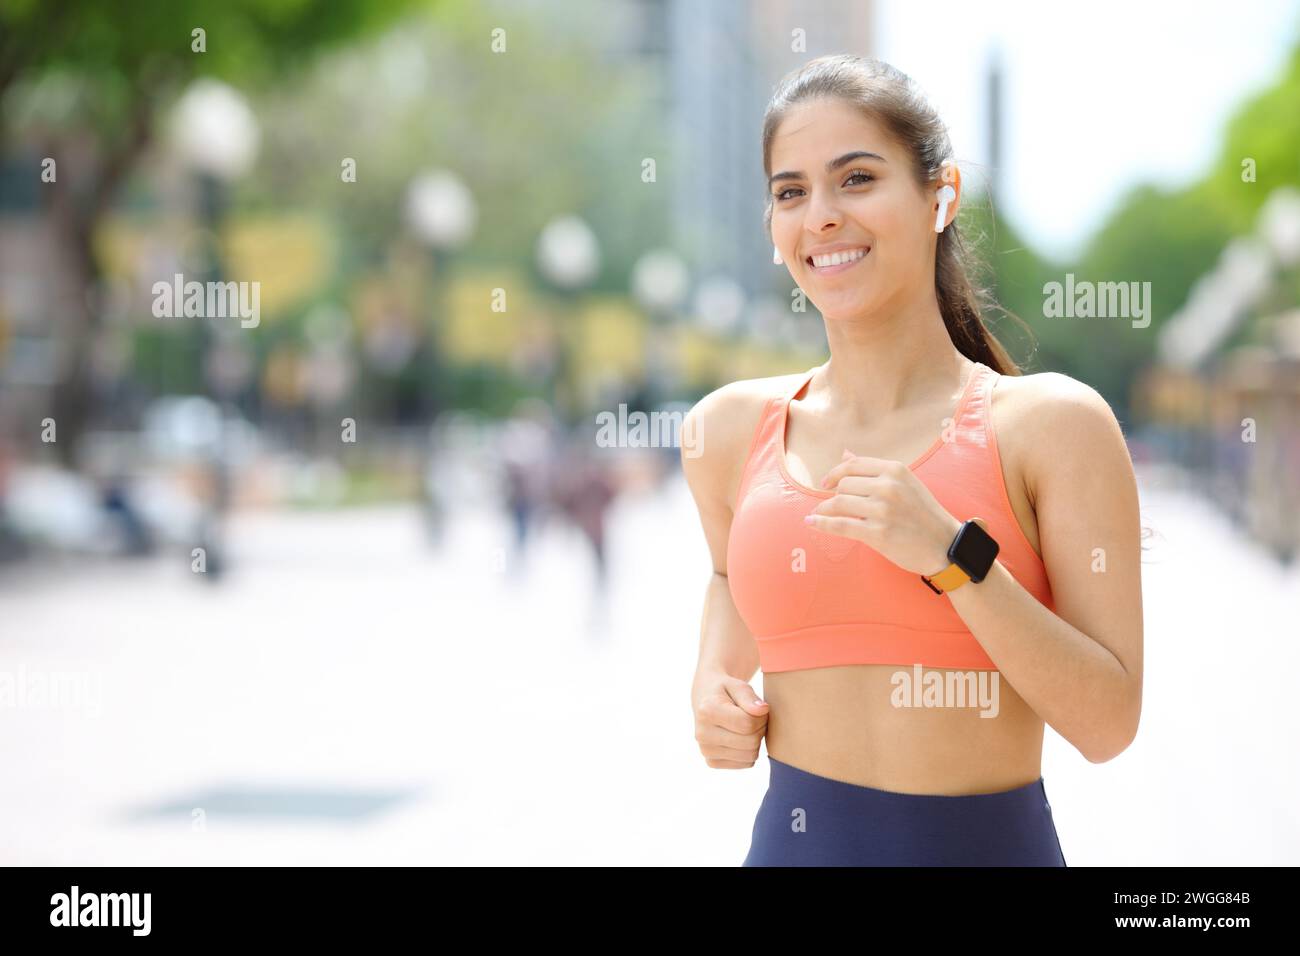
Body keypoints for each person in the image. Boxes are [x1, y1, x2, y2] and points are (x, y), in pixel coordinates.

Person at [681, 55, 1143, 866]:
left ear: (942, 195)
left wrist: (953, 556)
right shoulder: (727, 431)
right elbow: (728, 576)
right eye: (791, 192)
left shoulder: (1051, 426)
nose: (820, 216)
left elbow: (1108, 725)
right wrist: (713, 679)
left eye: (856, 179)